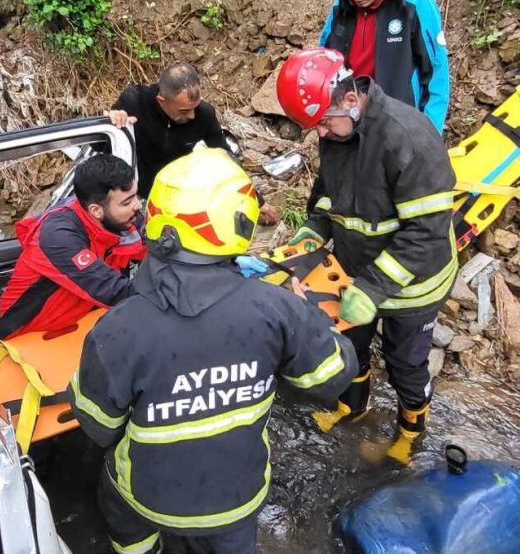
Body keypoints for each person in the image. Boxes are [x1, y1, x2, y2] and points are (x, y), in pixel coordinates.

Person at [67, 149, 357, 553]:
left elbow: (97, 425)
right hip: (235, 499)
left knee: (120, 508)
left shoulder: (117, 328)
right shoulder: (277, 309)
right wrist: (306, 318)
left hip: (147, 496)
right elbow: (332, 376)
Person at [276, 48, 457, 466]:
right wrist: (314, 230)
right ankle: (351, 407)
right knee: (350, 347)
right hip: (354, 270)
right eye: (315, 127)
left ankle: (410, 433)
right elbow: (328, 192)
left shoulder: (408, 138)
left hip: (414, 284)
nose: (321, 134)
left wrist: (373, 288)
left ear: (350, 99)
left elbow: (426, 232)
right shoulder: (339, 131)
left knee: (405, 364)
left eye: (324, 122)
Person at [106, 62, 281, 225]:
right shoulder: (134, 102)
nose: (192, 116)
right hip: (134, 193)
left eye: (194, 107)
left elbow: (227, 160)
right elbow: (103, 146)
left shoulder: (204, 114)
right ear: (161, 99)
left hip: (177, 194)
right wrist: (113, 119)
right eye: (184, 111)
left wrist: (257, 201)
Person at [0, 154, 146, 338]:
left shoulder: (123, 218)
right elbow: (112, 289)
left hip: (85, 319)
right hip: (30, 331)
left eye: (135, 196)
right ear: (96, 210)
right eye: (127, 202)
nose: (138, 206)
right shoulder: (59, 236)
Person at [319, 0, 449, 132]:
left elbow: (435, 73)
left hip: (399, 125)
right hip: (349, 122)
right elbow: (324, 62)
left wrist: (429, 134)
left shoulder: (416, 4)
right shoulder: (341, 7)